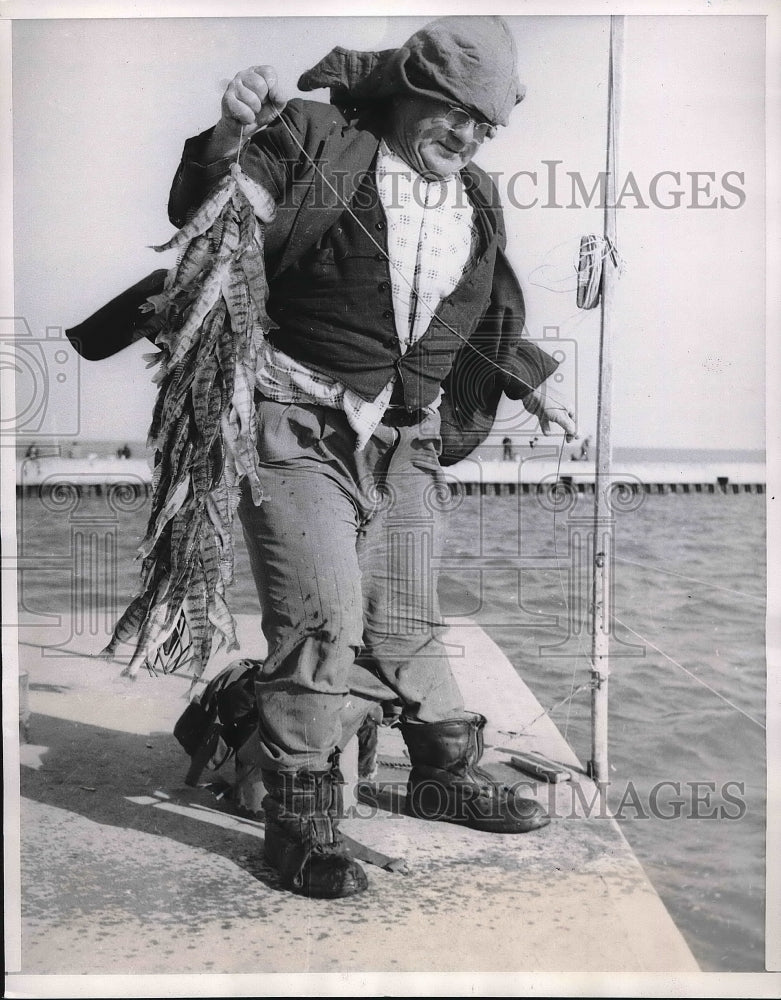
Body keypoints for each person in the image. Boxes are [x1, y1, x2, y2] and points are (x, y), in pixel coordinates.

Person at [168, 16, 576, 899]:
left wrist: (527, 386)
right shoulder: (316, 138)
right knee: (322, 619)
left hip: (406, 442)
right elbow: (211, 217)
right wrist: (232, 136)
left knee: (404, 621)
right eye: (453, 113)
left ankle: (440, 773)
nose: (466, 135)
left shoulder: (475, 193)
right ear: (408, 93)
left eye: (484, 124)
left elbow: (478, 311)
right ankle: (301, 818)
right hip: (297, 422)